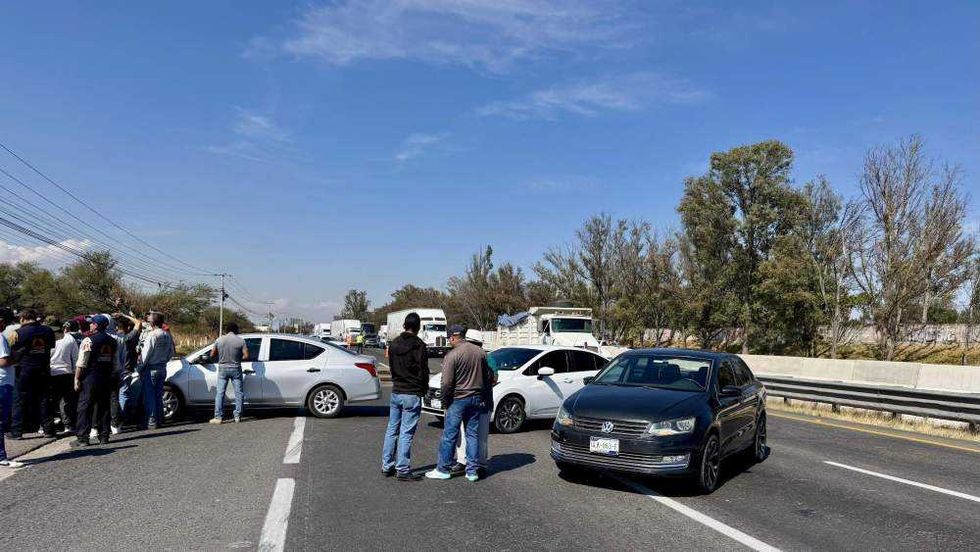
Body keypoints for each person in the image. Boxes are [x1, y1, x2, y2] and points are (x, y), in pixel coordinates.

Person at [426, 324, 493, 482]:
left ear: (452, 337)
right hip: (476, 399)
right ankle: (472, 471)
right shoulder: (480, 353)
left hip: (457, 399)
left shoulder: (452, 355)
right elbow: (487, 378)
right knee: (472, 435)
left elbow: (447, 382)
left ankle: (443, 469)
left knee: (450, 435)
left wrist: (445, 401)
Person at [381, 312, 428, 482]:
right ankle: (402, 468)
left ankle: (387, 465)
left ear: (404, 326)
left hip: (397, 390)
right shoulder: (419, 345)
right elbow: (423, 371)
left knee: (392, 429)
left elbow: (392, 367)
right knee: (406, 433)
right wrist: (423, 390)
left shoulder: (394, 344)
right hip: (412, 392)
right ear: (418, 328)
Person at [451, 330, 496, 478]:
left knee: (464, 433)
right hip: (483, 401)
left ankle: (464, 461)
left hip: (464, 400)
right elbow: (495, 378)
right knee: (480, 435)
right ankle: (478, 464)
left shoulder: (461, 354)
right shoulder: (487, 356)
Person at [71, 315, 120, 447]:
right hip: (107, 376)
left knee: (85, 407)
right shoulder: (113, 341)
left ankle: (83, 437)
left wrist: (76, 378)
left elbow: (81, 362)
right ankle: (104, 435)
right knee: (104, 406)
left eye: (92, 323)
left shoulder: (88, 340)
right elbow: (116, 363)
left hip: (90, 377)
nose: (90, 325)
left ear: (96, 325)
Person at [8, 309, 56, 439]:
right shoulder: (48, 331)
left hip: (24, 370)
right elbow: (51, 347)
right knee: (44, 399)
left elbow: (12, 352)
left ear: (23, 318)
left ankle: (16, 431)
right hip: (43, 369)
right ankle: (48, 430)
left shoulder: (17, 333)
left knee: (19, 400)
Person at [210, 322, 249, 424]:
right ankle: (238, 416)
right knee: (239, 393)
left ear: (226, 330)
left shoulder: (219, 340)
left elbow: (212, 354)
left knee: (220, 393)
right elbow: (246, 356)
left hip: (223, 369)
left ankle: (218, 417)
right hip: (236, 368)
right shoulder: (241, 341)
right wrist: (238, 358)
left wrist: (220, 355)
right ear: (236, 330)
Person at [140, 312, 173, 429]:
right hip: (162, 367)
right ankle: (160, 419)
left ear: (153, 322)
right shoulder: (167, 335)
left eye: (150, 319)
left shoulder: (152, 335)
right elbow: (171, 352)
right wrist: (163, 360)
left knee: (150, 396)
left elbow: (145, 354)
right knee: (158, 395)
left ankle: (152, 421)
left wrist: (140, 367)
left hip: (151, 368)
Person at [0, 308, 24, 468]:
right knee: (1, 421)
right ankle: (1, 456)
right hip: (3, 383)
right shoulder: (0, 338)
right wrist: (17, 356)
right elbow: (3, 361)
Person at [110, 312, 142, 431]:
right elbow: (138, 323)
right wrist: (125, 315)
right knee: (123, 395)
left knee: (113, 397)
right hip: (126, 370)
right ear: (128, 327)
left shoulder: (112, 338)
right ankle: (121, 419)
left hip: (113, 371)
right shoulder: (129, 338)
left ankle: (114, 419)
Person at [49, 320, 80, 434]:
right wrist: (75, 375)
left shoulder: (47, 338)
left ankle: (47, 425)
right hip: (66, 373)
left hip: (51, 372)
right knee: (66, 401)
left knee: (50, 400)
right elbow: (75, 358)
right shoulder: (70, 339)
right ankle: (68, 425)